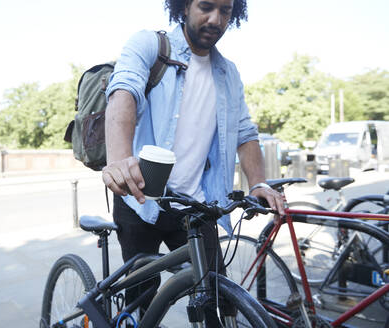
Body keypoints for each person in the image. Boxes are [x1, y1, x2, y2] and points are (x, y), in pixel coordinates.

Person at [102, 0, 285, 323]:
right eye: (206, 6)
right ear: (184, 7)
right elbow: (123, 91)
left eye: (226, 11)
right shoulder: (149, 45)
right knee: (143, 302)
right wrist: (118, 161)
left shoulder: (228, 72)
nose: (216, 19)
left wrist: (258, 183)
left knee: (218, 298)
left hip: (194, 206)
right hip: (140, 199)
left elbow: (245, 132)